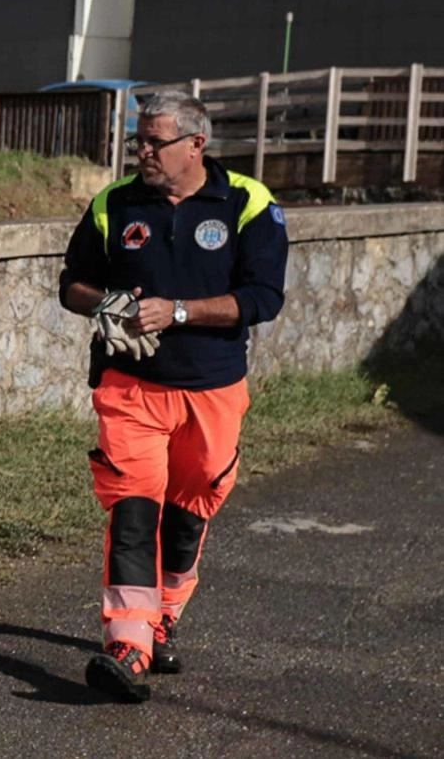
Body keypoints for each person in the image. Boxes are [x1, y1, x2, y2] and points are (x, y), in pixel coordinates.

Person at [58, 90, 289, 702]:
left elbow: (263, 297)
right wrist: (105, 302)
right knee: (133, 508)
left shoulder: (248, 203)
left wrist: (179, 311)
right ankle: (127, 646)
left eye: (155, 141)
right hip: (129, 387)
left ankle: (161, 619)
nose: (142, 151)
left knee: (190, 510)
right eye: (138, 140)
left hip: (212, 390)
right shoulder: (115, 201)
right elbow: (72, 283)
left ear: (195, 144)